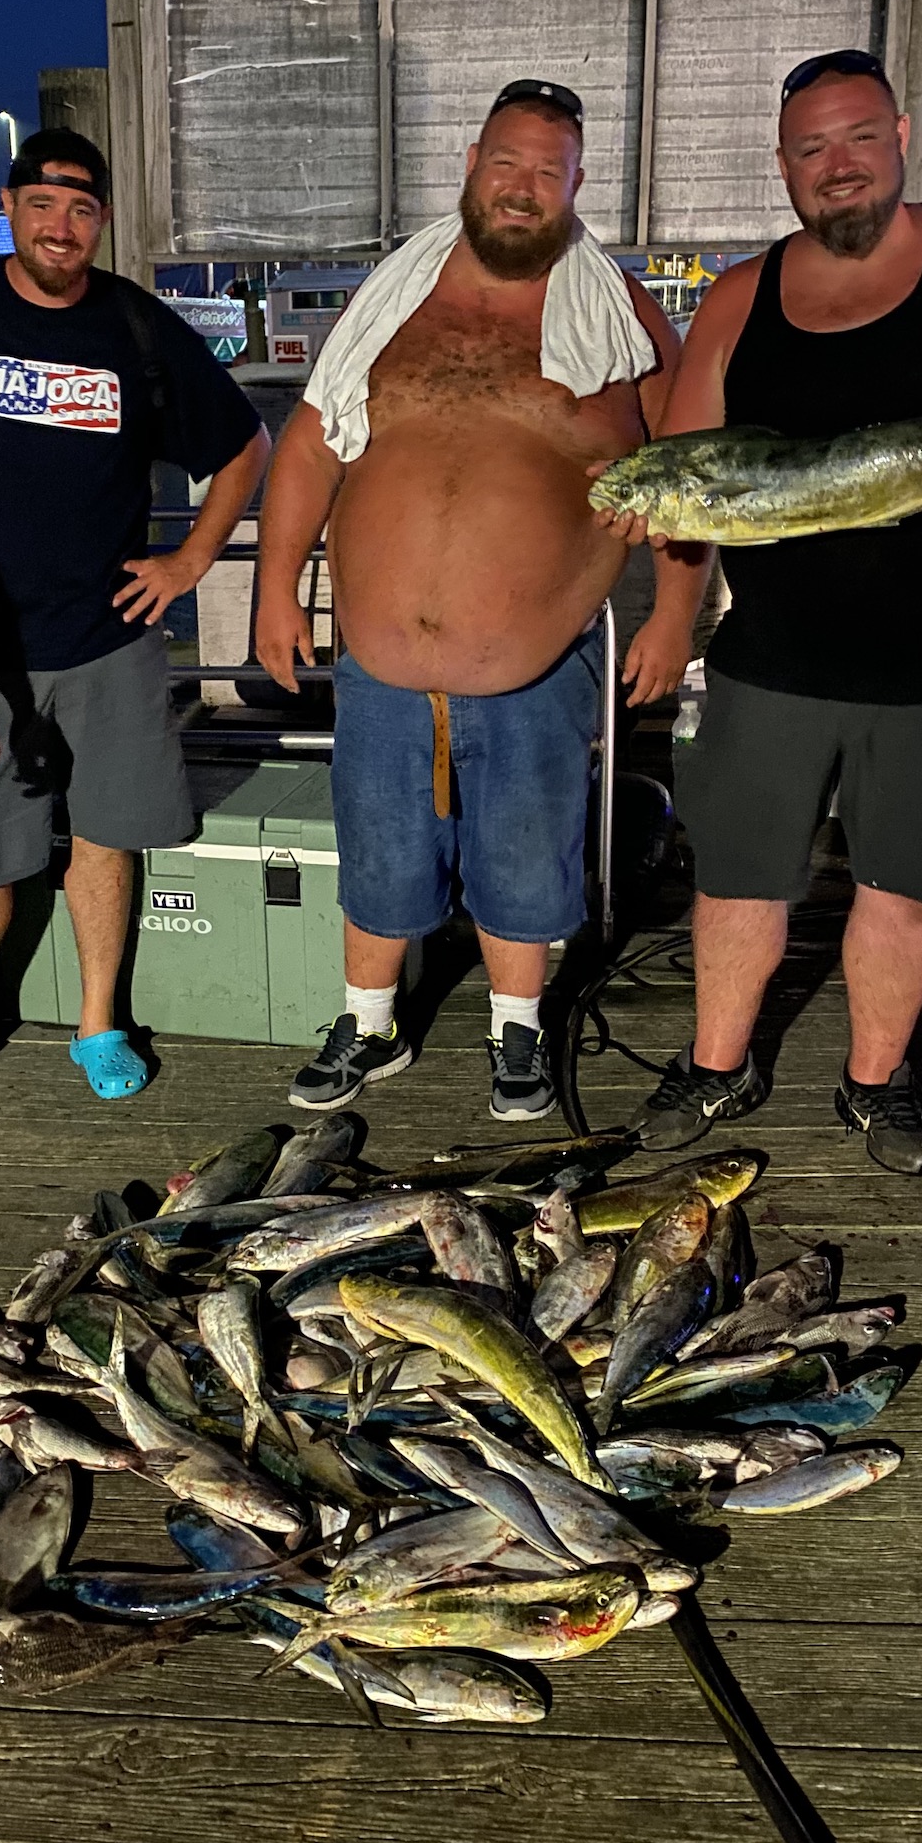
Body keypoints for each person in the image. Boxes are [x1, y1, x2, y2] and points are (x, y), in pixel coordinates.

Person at [607, 49, 922, 1174]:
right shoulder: (738, 295)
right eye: (812, 147)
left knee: (907, 888)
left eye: (860, 137)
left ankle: (877, 1079)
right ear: (783, 164)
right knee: (735, 876)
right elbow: (689, 481)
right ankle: (717, 1064)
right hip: (772, 655)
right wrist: (671, 616)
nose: (839, 165)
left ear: (903, 136)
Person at [256, 80, 695, 1120]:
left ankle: (517, 1027)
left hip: (535, 659)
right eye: (507, 162)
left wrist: (676, 614)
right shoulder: (391, 299)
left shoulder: (624, 317)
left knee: (526, 856)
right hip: (378, 658)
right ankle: (369, 1022)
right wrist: (275, 589)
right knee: (375, 847)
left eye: (549, 170)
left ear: (577, 184)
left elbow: (688, 470)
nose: (523, 187)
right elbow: (313, 443)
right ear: (470, 164)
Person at [0, 128, 271, 1105]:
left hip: (111, 638)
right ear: (9, 207)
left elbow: (245, 445)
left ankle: (100, 1021)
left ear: (102, 221)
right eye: (43, 203)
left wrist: (190, 559)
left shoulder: (135, 326)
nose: (61, 225)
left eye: (82, 208)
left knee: (106, 835)